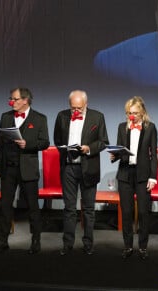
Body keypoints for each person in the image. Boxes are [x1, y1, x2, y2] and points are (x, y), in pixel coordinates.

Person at [0, 87, 50, 255]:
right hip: (8, 168)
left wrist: (28, 145)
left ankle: (36, 241)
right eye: (11, 98)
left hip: (28, 169)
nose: (12, 102)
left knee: (32, 206)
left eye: (15, 99)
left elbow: (45, 142)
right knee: (5, 206)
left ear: (25, 100)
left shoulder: (39, 118)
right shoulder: (6, 117)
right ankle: (3, 241)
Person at [53, 90, 109, 256]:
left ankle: (88, 244)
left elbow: (104, 142)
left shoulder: (97, 117)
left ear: (86, 104)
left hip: (88, 167)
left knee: (89, 208)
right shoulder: (62, 116)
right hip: (68, 167)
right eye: (73, 108)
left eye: (79, 108)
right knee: (69, 208)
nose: (75, 111)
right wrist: (64, 149)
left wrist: (88, 148)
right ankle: (67, 244)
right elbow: (57, 140)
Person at [108, 96, 158, 260]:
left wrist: (153, 177)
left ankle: (143, 247)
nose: (132, 116)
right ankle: (128, 246)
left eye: (135, 113)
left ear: (142, 112)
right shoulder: (122, 127)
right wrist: (114, 156)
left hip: (143, 174)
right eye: (129, 113)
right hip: (125, 173)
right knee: (127, 212)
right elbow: (120, 150)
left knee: (143, 212)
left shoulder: (150, 128)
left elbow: (154, 155)